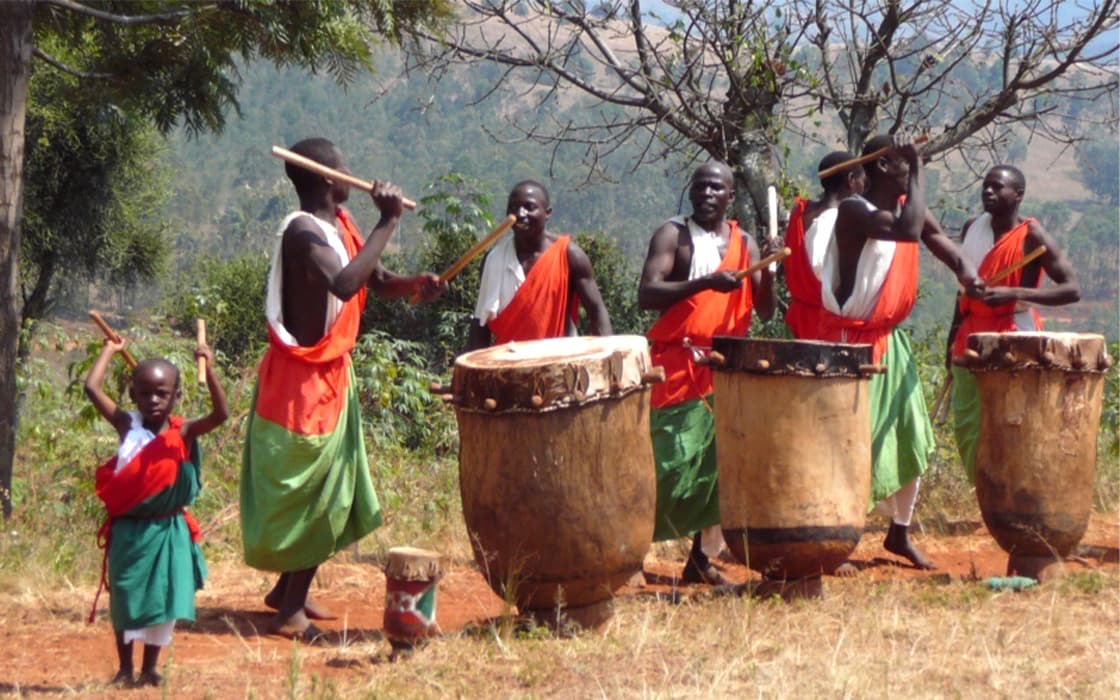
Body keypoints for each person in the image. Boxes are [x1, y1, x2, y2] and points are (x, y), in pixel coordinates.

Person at [241, 137, 443, 640]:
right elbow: (344, 284)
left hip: (330, 375)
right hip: (302, 381)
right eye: (344, 167)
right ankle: (289, 612)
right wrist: (390, 220)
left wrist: (414, 283)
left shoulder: (340, 227)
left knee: (328, 486)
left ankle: (288, 591)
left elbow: (374, 277)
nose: (354, 172)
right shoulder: (303, 233)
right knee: (319, 495)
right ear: (329, 180)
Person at [819, 134, 980, 571]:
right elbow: (910, 231)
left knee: (911, 434)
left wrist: (970, 275)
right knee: (851, 445)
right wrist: (921, 166)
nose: (910, 165)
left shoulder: (908, 206)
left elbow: (942, 243)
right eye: (902, 160)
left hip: (890, 343)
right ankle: (836, 537)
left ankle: (898, 533)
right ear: (883, 166)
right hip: (854, 347)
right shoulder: (855, 210)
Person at [638, 160, 777, 584]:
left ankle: (700, 559)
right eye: (700, 187)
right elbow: (647, 293)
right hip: (676, 365)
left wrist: (769, 269)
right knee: (666, 465)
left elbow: (766, 310)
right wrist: (705, 284)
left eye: (716, 188)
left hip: (724, 367)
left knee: (717, 469)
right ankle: (628, 551)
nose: (707, 194)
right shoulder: (673, 234)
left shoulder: (746, 243)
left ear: (730, 196)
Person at [85, 337, 229, 687]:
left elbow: (221, 414)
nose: (152, 400)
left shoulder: (186, 432)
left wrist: (208, 369)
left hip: (168, 531)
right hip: (130, 532)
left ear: (176, 396)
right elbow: (91, 387)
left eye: (161, 393)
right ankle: (125, 669)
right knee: (125, 596)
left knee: (164, 599)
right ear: (133, 394)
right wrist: (110, 349)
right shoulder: (127, 426)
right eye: (145, 392)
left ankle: (150, 668)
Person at [945, 165, 1080, 481]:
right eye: (985, 186)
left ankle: (1014, 493)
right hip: (970, 333)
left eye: (997, 187)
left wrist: (1014, 291)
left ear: (1018, 195)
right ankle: (982, 492)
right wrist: (951, 339)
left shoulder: (1032, 236)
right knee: (968, 422)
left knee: (1012, 419)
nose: (988, 192)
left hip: (1014, 332)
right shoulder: (971, 228)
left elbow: (1072, 288)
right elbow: (961, 295)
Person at [467, 180, 612, 350]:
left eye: (529, 207)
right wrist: (472, 370)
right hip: (508, 366)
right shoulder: (494, 259)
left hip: (558, 364)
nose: (520, 214)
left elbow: (596, 311)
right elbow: (481, 322)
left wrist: (608, 356)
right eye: (513, 208)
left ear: (547, 213)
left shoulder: (569, 255)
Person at [784, 151, 867, 339]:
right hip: (821, 325)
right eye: (863, 180)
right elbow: (822, 270)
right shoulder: (834, 220)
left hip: (797, 320)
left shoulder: (800, 212)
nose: (864, 188)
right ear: (851, 180)